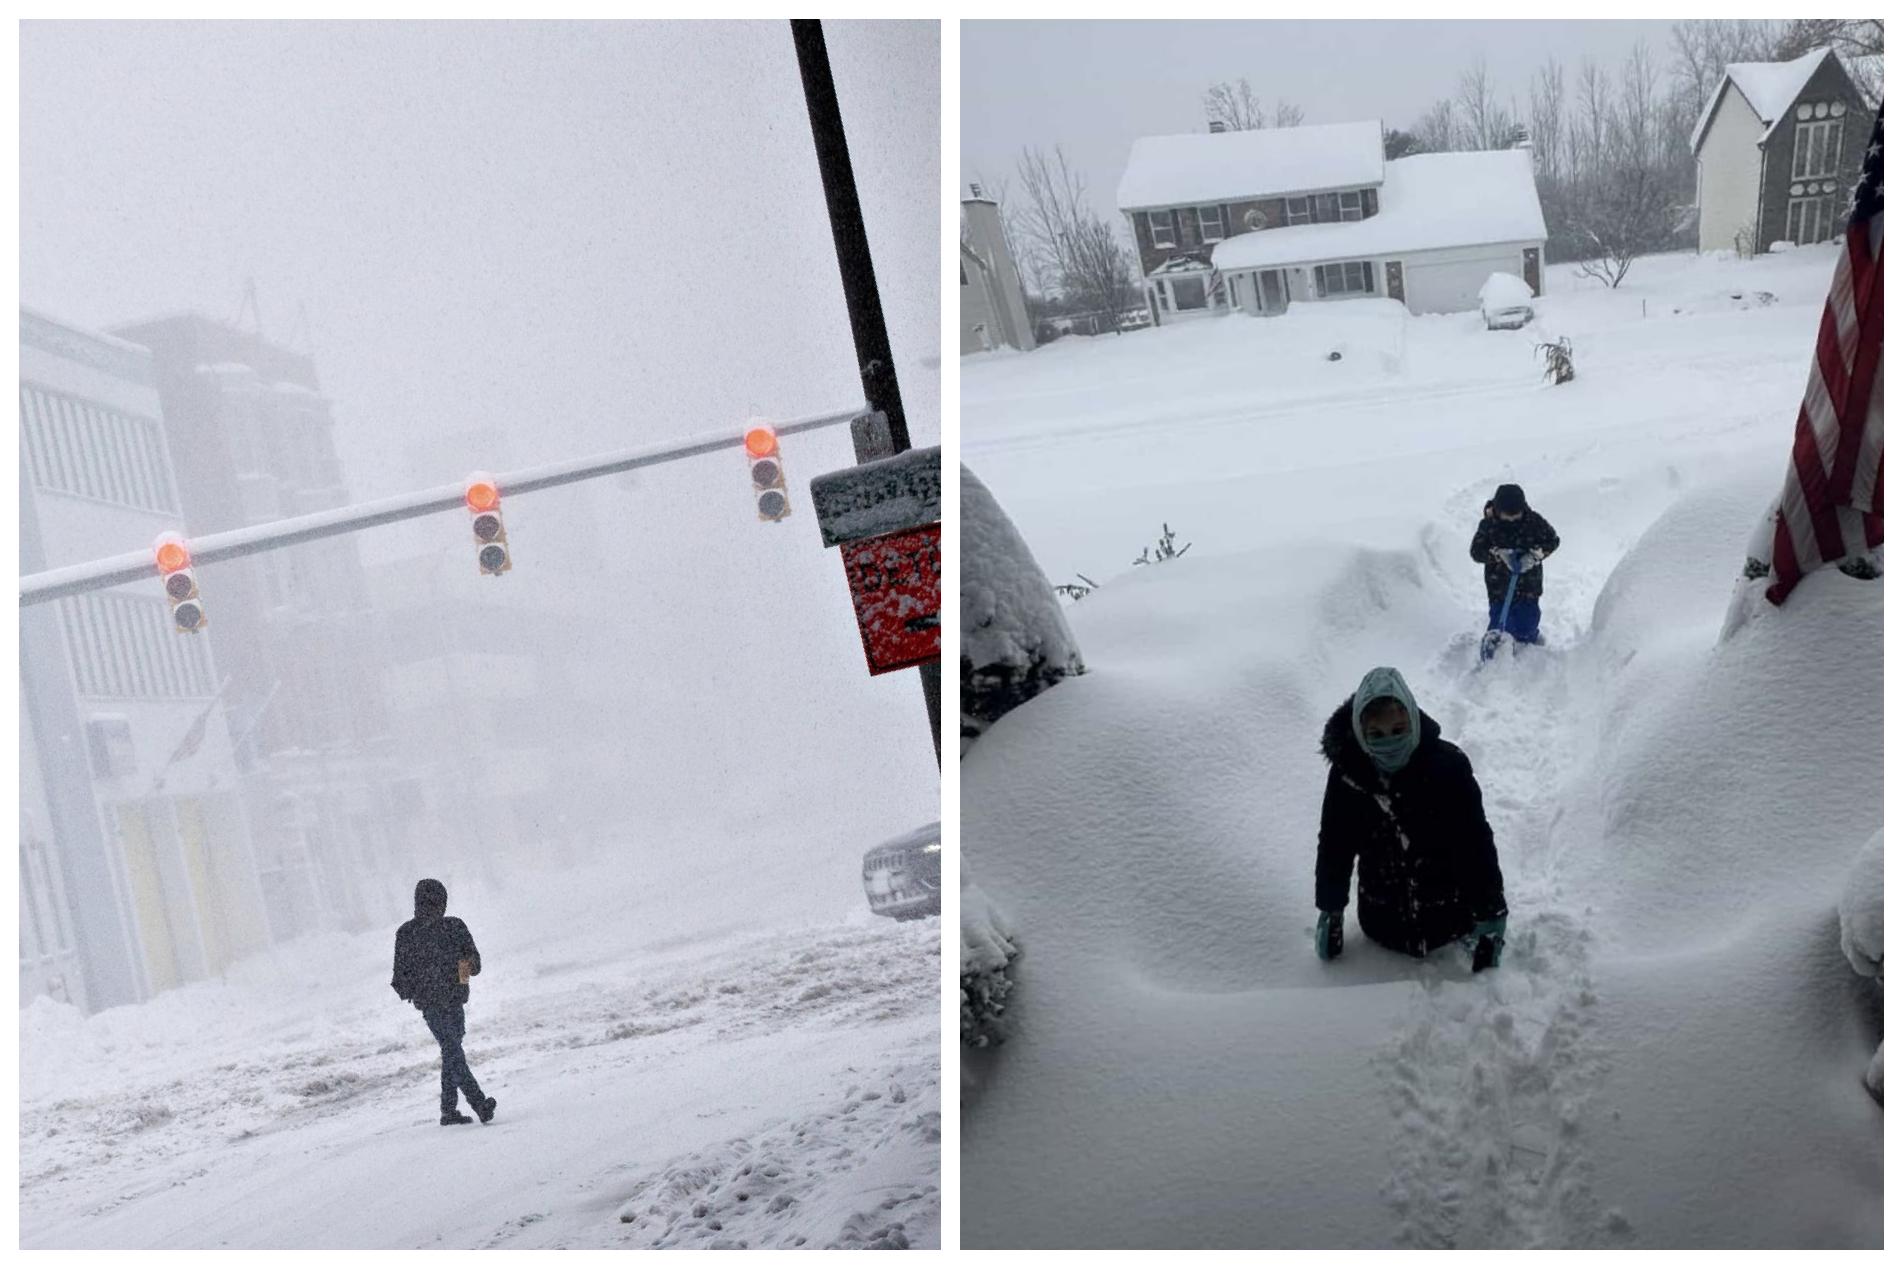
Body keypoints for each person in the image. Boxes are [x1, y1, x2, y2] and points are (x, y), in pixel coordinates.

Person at [1313, 667, 1508, 970]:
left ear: (1413, 724)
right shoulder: (1348, 778)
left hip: (1452, 919)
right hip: (1382, 924)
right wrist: (1331, 909)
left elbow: (1474, 843)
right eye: (1376, 734)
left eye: (1398, 730)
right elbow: (1335, 846)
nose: (1388, 741)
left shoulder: (1449, 767)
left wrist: (1491, 912)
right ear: (1360, 734)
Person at [392, 878, 497, 1126]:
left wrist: (416, 989)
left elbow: (474, 961)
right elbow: (400, 978)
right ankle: (479, 1103)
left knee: (452, 1051)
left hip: (447, 1001)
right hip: (438, 1002)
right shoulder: (442, 928)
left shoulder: (413, 933)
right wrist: (418, 990)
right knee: (452, 1049)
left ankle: (448, 1111)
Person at [1467, 483, 1560, 648]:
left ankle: (1528, 645)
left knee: (1528, 621)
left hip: (1529, 585)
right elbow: (1476, 552)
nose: (1511, 520)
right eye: (1507, 516)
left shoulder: (1534, 522)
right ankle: (1496, 654)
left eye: (1516, 516)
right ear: (1497, 510)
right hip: (1499, 586)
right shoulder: (1488, 526)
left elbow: (1553, 540)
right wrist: (1497, 555)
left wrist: (1535, 555)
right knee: (1500, 621)